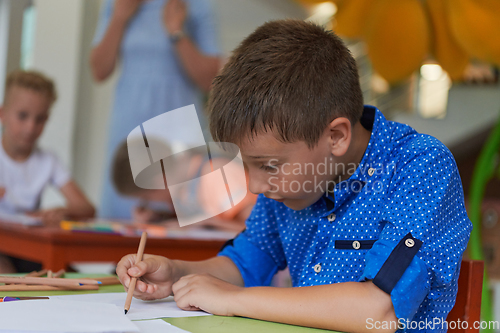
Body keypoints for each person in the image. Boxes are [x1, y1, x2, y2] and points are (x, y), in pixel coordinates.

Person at [116, 20, 472, 332]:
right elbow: (246, 263)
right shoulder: (290, 184)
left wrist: (235, 299)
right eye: (245, 165)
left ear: (335, 137)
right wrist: (177, 273)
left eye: (268, 165)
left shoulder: (419, 167)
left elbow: (378, 310)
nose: (254, 185)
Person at [90, 0, 221, 220]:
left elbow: (210, 80)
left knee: (185, 221)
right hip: (128, 131)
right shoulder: (116, 4)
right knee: (125, 219)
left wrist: (176, 31)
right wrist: (119, 17)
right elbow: (99, 70)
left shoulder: (197, 5)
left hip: (178, 131)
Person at [0, 70, 95, 272]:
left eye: (40, 119)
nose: (30, 127)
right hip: (2, 249)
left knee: (68, 278)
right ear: (3, 114)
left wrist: (64, 211)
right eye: (23, 116)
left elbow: (87, 208)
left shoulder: (48, 160)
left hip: (31, 248)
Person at [111, 139, 255, 231]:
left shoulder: (217, 174)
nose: (151, 202)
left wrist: (197, 225)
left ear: (159, 181)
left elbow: (254, 227)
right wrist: (160, 218)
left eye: (147, 197)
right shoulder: (182, 187)